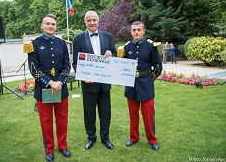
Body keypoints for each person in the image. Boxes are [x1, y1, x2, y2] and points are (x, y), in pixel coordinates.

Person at [25, 13, 71, 161]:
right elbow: (33, 68)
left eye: (53, 24)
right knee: (46, 122)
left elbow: (67, 65)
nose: (51, 26)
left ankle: (62, 146)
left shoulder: (62, 43)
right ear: (42, 26)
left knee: (62, 120)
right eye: (48, 24)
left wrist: (59, 82)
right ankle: (49, 150)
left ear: (55, 26)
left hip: (61, 87)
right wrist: (50, 83)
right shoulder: (34, 44)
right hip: (43, 88)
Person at [72, 10, 117, 150]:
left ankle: (105, 138)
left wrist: (111, 54)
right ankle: (91, 138)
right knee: (89, 114)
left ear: (98, 21)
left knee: (105, 113)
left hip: (104, 84)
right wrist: (83, 77)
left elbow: (114, 54)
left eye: (94, 20)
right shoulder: (78, 39)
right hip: (89, 84)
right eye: (89, 20)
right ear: (85, 23)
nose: (92, 22)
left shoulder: (108, 36)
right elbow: (75, 63)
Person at [118, 21, 162, 150]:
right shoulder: (126, 47)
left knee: (148, 115)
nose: (136, 32)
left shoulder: (150, 46)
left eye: (139, 29)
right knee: (133, 114)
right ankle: (133, 137)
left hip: (146, 84)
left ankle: (152, 140)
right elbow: (122, 66)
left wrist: (149, 80)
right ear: (131, 32)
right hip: (131, 85)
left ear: (143, 31)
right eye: (134, 30)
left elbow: (158, 66)